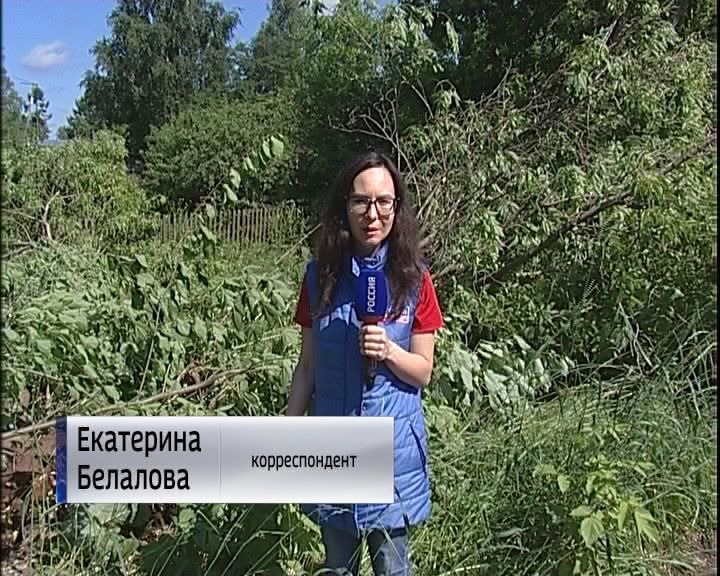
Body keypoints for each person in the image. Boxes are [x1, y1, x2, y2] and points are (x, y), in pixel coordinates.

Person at [286, 151, 444, 575]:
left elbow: (424, 371)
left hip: (391, 457)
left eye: (383, 202)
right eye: (361, 201)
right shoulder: (318, 278)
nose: (372, 214)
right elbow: (307, 367)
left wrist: (389, 351)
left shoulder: (416, 281)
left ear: (396, 207)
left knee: (392, 568)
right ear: (345, 206)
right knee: (338, 568)